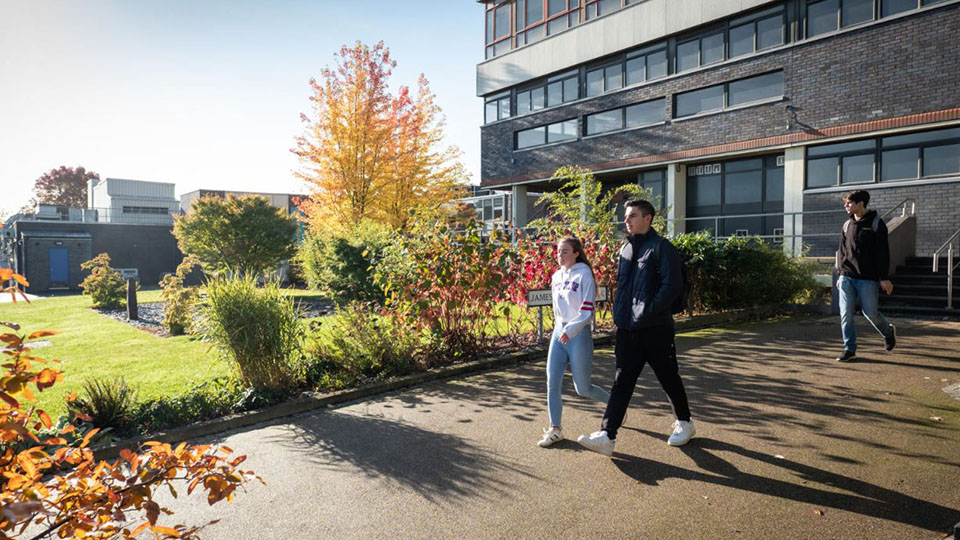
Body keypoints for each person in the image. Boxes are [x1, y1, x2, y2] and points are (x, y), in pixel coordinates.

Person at [577, 200, 694, 457]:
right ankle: (607, 435)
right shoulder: (626, 249)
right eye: (626, 216)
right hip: (628, 330)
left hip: (655, 328)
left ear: (648, 218)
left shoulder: (663, 248)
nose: (627, 221)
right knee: (622, 382)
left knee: (668, 377)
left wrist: (648, 310)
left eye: (632, 216)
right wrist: (621, 315)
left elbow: (672, 286)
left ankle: (685, 422)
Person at [537, 237, 611, 448]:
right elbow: (556, 308)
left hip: (578, 335)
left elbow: (587, 311)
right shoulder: (557, 276)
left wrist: (571, 330)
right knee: (552, 382)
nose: (560, 255)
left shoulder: (584, 274)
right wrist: (560, 329)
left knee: (583, 388)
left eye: (565, 251)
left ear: (576, 253)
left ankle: (615, 407)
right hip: (559, 334)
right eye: (558, 252)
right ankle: (555, 429)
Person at [835, 189, 896, 362]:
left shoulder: (876, 223)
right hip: (847, 276)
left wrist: (883, 277)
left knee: (870, 313)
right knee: (845, 314)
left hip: (868, 278)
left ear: (861, 203)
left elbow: (883, 253)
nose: (846, 206)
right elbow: (842, 252)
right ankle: (849, 349)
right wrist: (840, 274)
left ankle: (888, 332)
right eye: (845, 203)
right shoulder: (847, 225)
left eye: (849, 203)